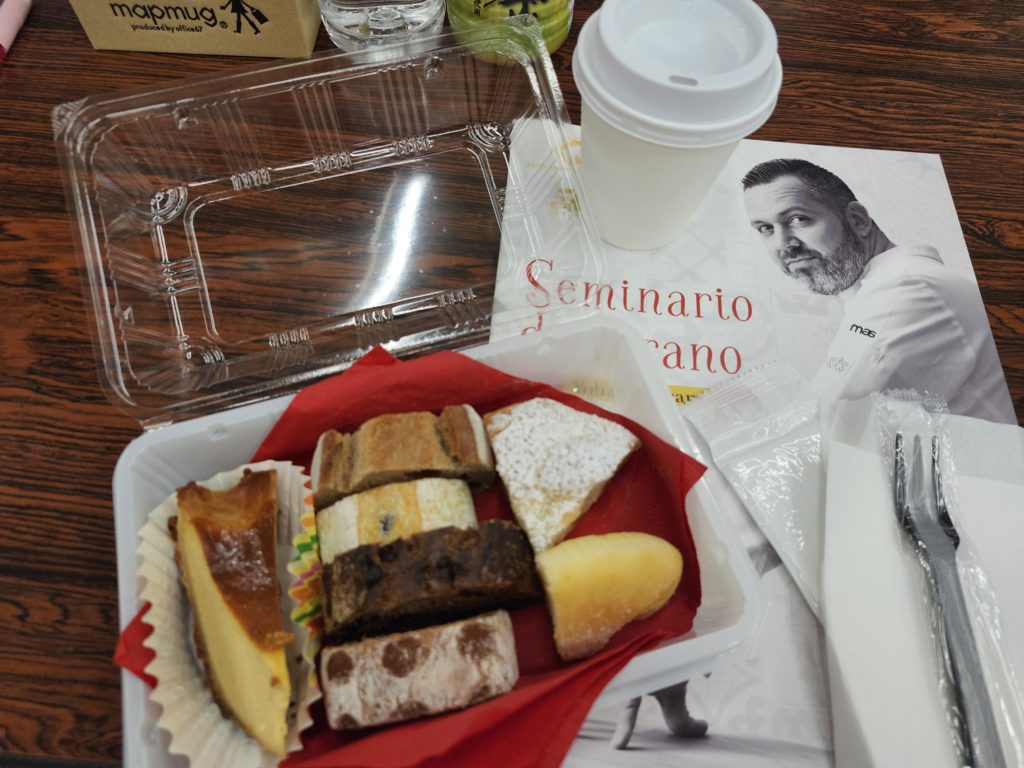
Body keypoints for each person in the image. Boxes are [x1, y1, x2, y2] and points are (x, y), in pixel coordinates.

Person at [741, 158, 1016, 424]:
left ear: (858, 220)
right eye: (765, 228)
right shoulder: (897, 284)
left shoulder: (905, 289)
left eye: (798, 219)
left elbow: (825, 423)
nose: (783, 244)